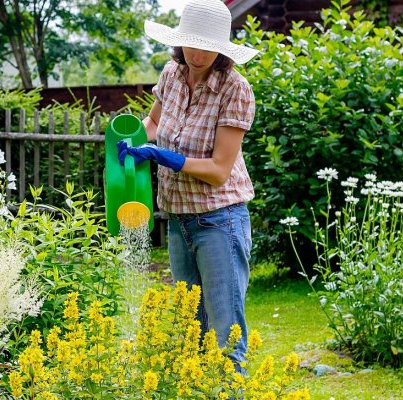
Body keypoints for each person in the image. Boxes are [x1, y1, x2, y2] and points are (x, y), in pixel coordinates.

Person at [117, 0, 259, 372]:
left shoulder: (235, 89)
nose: (197, 54)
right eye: (190, 45)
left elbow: (218, 170)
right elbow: (153, 124)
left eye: (207, 47)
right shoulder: (172, 74)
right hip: (178, 218)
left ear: (222, 49)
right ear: (178, 43)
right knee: (192, 330)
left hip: (220, 221)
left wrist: (170, 159)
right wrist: (133, 142)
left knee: (226, 335)